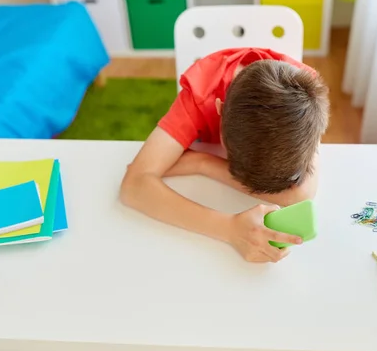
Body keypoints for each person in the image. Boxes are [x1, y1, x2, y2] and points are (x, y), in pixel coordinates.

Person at [119, 47, 330, 263]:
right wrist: (229, 228)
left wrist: (202, 163)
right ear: (218, 108)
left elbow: (301, 194)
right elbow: (133, 185)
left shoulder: (307, 101)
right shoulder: (201, 95)